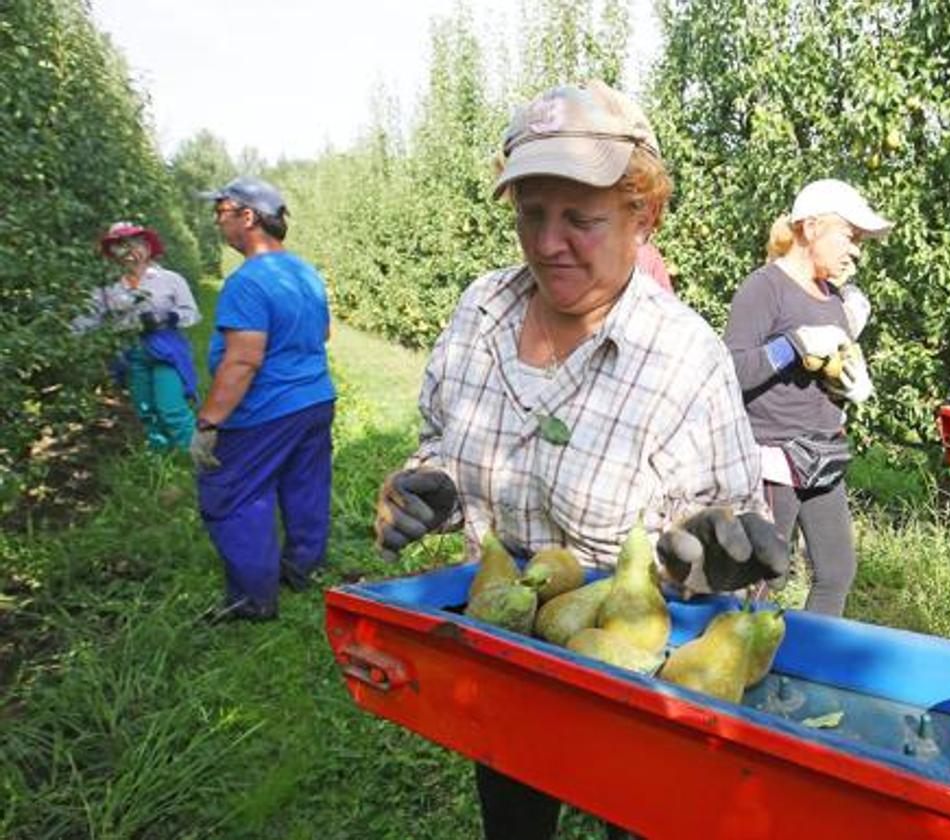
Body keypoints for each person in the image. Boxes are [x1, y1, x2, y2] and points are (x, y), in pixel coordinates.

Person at [372, 80, 789, 840]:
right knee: (513, 815)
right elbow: (441, 442)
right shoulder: (481, 314)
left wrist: (719, 554)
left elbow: (728, 521)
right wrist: (421, 488)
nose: (547, 242)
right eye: (531, 214)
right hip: (503, 656)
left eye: (581, 219)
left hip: (630, 686)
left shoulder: (681, 357)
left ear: (644, 215)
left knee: (638, 816)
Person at [723, 178, 892, 617]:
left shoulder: (833, 296)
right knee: (764, 576)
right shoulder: (765, 288)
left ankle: (811, 665)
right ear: (812, 227)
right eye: (850, 237)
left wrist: (849, 383)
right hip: (775, 458)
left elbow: (827, 367)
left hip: (822, 452)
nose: (856, 251)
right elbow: (730, 372)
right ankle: (736, 667)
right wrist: (791, 345)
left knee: (837, 572)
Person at [193, 176, 337, 623]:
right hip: (315, 399)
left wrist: (209, 423)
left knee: (234, 492)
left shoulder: (248, 282)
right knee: (304, 483)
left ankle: (252, 597)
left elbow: (242, 361)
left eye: (221, 213)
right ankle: (302, 567)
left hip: (264, 410)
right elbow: (324, 334)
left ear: (248, 216)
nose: (218, 223)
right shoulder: (304, 272)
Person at [73, 222, 201, 451]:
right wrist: (66, 335)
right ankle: (161, 456)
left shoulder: (170, 279)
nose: (129, 252)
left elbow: (191, 313)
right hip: (129, 352)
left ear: (148, 247)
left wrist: (168, 318)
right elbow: (89, 318)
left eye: (135, 244)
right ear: (112, 252)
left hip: (165, 349)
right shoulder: (108, 286)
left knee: (171, 408)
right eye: (120, 246)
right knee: (146, 410)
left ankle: (195, 457)